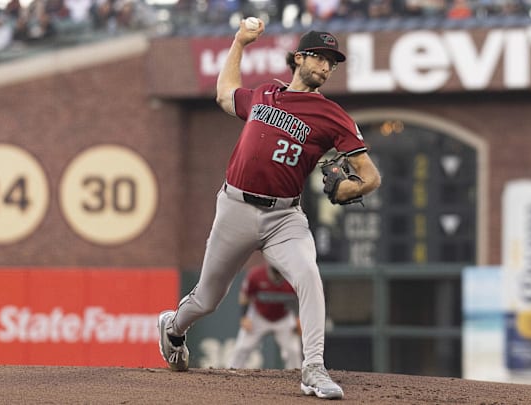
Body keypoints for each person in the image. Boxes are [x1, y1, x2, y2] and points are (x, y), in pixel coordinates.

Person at [157, 21, 381, 400]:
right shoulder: (265, 94)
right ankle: (173, 328)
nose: (326, 67)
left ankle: (313, 367)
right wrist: (239, 42)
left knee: (309, 275)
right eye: (321, 58)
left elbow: (371, 176)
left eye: (333, 63)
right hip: (235, 207)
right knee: (207, 299)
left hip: (284, 218)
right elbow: (225, 94)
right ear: (300, 58)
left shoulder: (332, 115)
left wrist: (352, 187)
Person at [228, 263, 302, 370]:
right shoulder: (256, 275)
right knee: (242, 347)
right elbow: (244, 296)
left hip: (284, 317)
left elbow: (301, 300)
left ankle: (295, 377)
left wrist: (299, 319)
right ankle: (231, 374)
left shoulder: (294, 278)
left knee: (293, 351)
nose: (278, 277)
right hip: (259, 316)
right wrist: (244, 317)